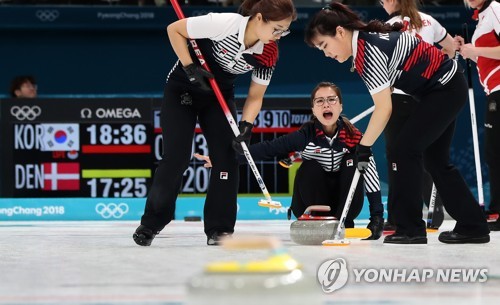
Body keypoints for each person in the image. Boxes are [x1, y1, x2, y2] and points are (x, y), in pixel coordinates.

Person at [305, 1, 490, 244]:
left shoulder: (367, 50)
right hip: (441, 89)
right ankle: (473, 225)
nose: (327, 53)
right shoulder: (366, 42)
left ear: (340, 32)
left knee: (404, 151)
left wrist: (363, 147)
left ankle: (411, 229)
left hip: (444, 89)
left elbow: (384, 108)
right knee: (435, 160)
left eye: (324, 45)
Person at [133, 0, 297, 246]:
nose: (280, 35)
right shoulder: (224, 23)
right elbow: (174, 29)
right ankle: (151, 223)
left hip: (218, 96)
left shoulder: (268, 53)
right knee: (176, 157)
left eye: (285, 30)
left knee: (227, 157)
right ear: (260, 18)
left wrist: (247, 126)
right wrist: (190, 68)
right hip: (183, 89)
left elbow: (255, 96)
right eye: (277, 28)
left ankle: (219, 228)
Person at [195, 82, 385, 240]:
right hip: (311, 203)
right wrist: (223, 160)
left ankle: (344, 221)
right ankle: (316, 219)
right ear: (313, 109)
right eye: (320, 101)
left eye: (331, 100)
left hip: (345, 205)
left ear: (341, 106)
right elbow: (267, 149)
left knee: (354, 162)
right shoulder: (306, 135)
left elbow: (371, 174)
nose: (326, 105)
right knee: (310, 166)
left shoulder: (355, 137)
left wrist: (377, 217)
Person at [380, 0, 457, 231]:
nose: (383, 5)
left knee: (397, 158)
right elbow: (451, 48)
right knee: (423, 156)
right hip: (428, 98)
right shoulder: (429, 20)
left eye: (383, 1)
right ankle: (434, 207)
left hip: (401, 97)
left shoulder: (389, 26)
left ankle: (397, 218)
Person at [454, 0, 500, 231]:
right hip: (493, 90)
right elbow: (485, 58)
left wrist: (476, 49)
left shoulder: (496, 8)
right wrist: (468, 51)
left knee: (496, 151)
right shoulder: (482, 18)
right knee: (494, 153)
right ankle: (496, 208)